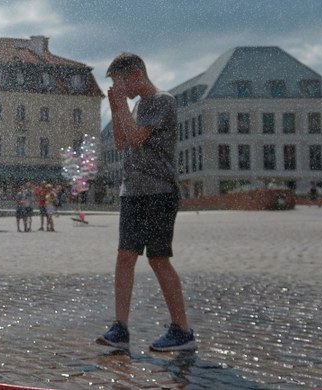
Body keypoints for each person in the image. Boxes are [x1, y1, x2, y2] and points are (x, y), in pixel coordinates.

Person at [95, 52, 195, 352]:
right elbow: (121, 142)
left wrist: (123, 107)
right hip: (133, 192)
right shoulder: (135, 105)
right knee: (125, 255)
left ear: (136, 75)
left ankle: (182, 330)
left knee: (158, 258)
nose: (118, 88)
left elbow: (137, 137)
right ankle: (120, 328)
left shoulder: (162, 101)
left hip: (159, 192)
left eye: (119, 82)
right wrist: (116, 109)